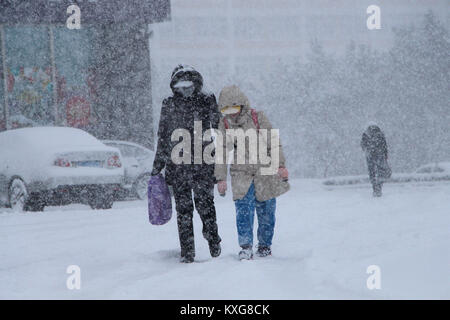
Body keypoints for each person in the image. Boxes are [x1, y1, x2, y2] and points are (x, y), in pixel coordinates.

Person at [151, 65, 222, 263]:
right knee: (183, 211)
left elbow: (218, 127)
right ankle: (187, 252)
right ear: (174, 86)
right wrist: (158, 166)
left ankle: (213, 239)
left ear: (196, 85)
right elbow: (163, 136)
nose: (185, 91)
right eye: (181, 87)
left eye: (189, 86)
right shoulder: (169, 104)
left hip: (203, 164)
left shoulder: (207, 100)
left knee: (205, 206)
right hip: (178, 166)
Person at [214, 85, 289, 260]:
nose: (231, 113)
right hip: (241, 173)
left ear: (241, 105)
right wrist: (220, 178)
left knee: (267, 211)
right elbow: (221, 151)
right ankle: (246, 246)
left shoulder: (258, 118)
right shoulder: (224, 123)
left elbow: (273, 142)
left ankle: (264, 245)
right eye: (226, 109)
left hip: (265, 170)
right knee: (243, 211)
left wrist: (280, 165)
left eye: (234, 108)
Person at [361, 123, 389, 197]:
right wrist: (385, 156)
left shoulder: (366, 134)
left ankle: (375, 188)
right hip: (379, 155)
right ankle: (378, 187)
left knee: (372, 172)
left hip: (370, 156)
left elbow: (363, 145)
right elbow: (384, 146)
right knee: (382, 171)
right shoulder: (380, 134)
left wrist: (367, 150)